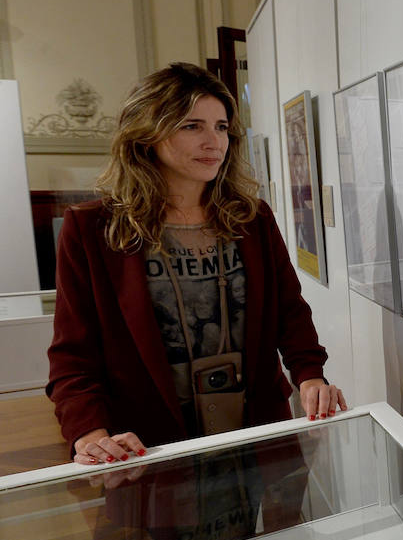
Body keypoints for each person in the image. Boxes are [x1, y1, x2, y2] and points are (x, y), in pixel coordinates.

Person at [47, 62, 346, 467]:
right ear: (147, 132)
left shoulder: (251, 218)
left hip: (254, 425)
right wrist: (89, 432)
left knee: (264, 529)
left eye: (221, 127)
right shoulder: (93, 228)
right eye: (192, 126)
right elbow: (73, 353)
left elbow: (288, 311)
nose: (214, 141)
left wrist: (310, 374)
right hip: (150, 441)